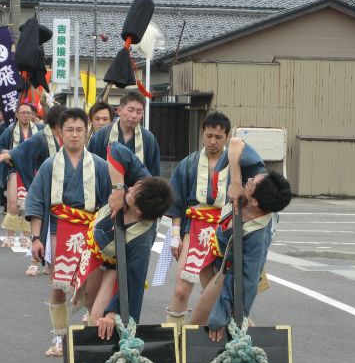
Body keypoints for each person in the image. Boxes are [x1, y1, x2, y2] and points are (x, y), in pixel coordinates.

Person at [25, 108, 111, 356]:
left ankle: (93, 337)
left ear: (87, 132)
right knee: (57, 287)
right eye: (69, 130)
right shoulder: (50, 165)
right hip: (57, 231)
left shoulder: (100, 166)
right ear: (60, 133)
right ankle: (59, 338)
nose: (74, 135)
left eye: (79, 130)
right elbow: (36, 202)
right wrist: (35, 239)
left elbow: (108, 205)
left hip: (90, 232)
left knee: (91, 290)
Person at [188, 137, 292, 342]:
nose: (249, 180)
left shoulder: (257, 237)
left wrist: (221, 315)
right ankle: (249, 340)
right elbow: (235, 142)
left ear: (254, 202)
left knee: (204, 319)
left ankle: (248, 351)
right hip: (217, 254)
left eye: (250, 184)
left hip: (231, 269)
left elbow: (246, 282)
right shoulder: (259, 179)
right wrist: (236, 181)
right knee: (226, 314)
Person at [75, 142, 174, 340]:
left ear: (139, 211)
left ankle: (106, 361)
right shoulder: (145, 185)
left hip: (116, 265)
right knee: (87, 299)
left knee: (99, 318)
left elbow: (133, 282)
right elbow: (116, 149)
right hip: (96, 251)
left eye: (131, 193)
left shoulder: (141, 241)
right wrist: (119, 189)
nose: (131, 188)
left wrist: (113, 313)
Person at [164, 111, 231, 331]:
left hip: (223, 231)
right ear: (203, 133)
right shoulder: (189, 164)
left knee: (218, 292)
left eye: (218, 137)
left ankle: (229, 338)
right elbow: (176, 202)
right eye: (209, 136)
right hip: (193, 229)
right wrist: (175, 236)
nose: (212, 142)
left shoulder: (237, 164)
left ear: (227, 137)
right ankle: (174, 338)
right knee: (181, 289)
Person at [0, 105, 65, 276]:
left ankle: (50, 263)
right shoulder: (40, 136)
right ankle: (34, 262)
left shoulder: (66, 136)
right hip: (43, 185)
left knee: (57, 230)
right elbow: (22, 150)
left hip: (63, 188)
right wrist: (4, 156)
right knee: (40, 224)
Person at [0, 103, 40, 247]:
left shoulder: (39, 130)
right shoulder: (10, 130)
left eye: (28, 113)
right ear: (17, 114)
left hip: (33, 171)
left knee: (27, 205)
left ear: (32, 115)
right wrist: (9, 153)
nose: (26, 115)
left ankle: (26, 237)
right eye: (23, 113)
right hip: (14, 169)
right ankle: (10, 236)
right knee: (13, 205)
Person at [87, 90, 160, 177]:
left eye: (139, 112)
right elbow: (89, 169)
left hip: (139, 189)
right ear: (119, 110)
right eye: (131, 110)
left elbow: (155, 174)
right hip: (107, 189)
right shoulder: (100, 136)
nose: (134, 116)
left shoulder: (148, 138)